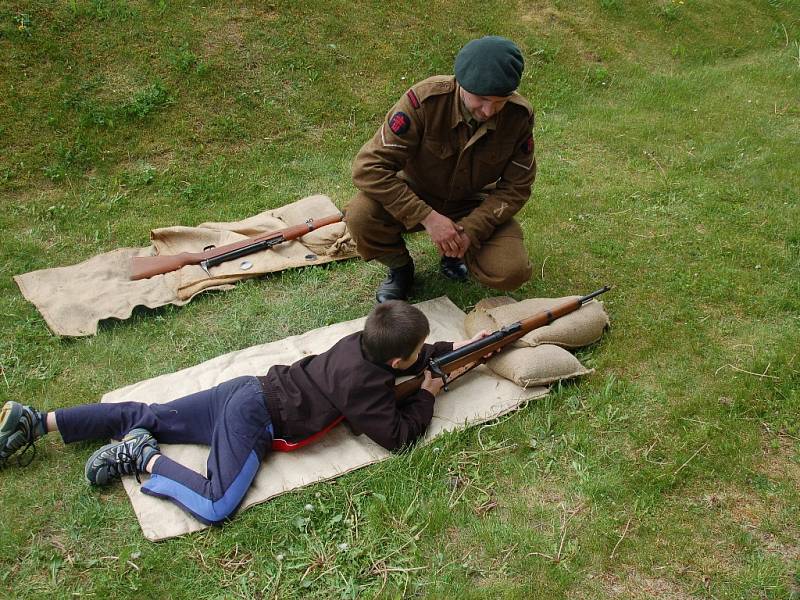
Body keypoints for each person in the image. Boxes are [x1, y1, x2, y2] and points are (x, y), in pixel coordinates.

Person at [0, 301, 485, 525]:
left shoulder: (361, 343)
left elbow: (412, 357)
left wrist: (456, 349)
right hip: (255, 420)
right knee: (214, 505)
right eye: (418, 351)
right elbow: (398, 437)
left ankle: (39, 420)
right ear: (397, 361)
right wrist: (428, 394)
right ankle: (143, 458)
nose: (421, 356)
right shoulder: (366, 386)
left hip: (245, 389)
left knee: (145, 410)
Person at [346, 35, 536, 303]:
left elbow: (517, 186)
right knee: (360, 216)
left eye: (500, 101)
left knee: (511, 271)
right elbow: (368, 167)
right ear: (461, 84)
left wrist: (471, 229)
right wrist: (427, 217)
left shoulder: (518, 116)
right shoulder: (424, 102)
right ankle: (401, 269)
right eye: (481, 99)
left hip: (472, 203)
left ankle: (456, 252)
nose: (490, 110)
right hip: (417, 193)